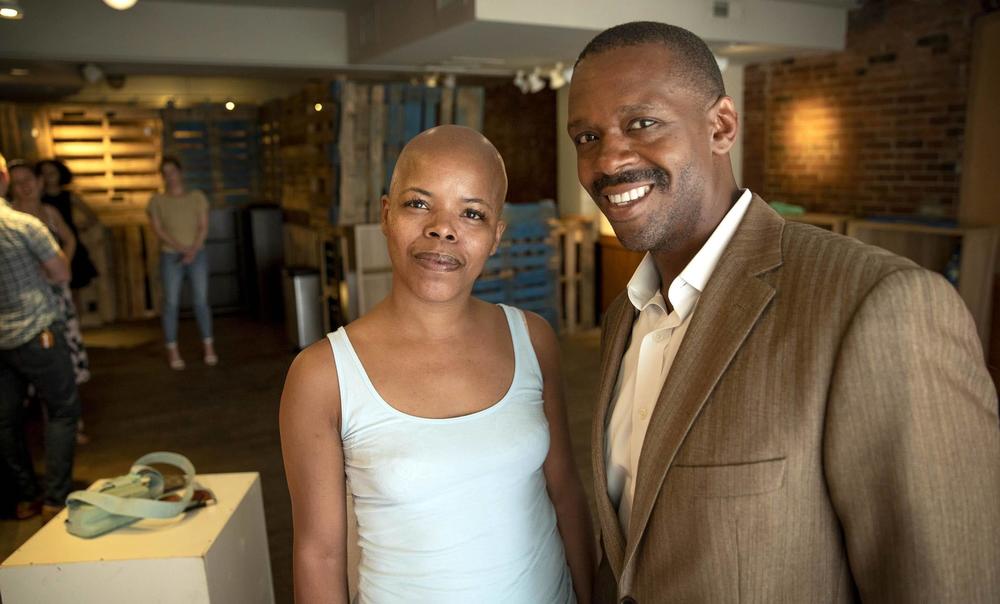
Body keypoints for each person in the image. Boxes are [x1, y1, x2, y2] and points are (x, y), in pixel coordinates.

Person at [567, 21, 1000, 603]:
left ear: (721, 126)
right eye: (586, 137)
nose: (608, 159)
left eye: (641, 123)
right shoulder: (627, 314)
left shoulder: (877, 306)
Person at [280, 125, 594, 603]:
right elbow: (318, 555)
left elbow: (566, 492)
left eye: (472, 213)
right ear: (386, 214)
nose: (443, 228)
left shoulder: (532, 339)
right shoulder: (324, 374)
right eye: (419, 203)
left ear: (495, 236)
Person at [0, 151, 81, 521]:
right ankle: (54, 498)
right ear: (4, 179)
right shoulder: (22, 225)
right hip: (37, 331)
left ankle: (23, 497)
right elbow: (61, 272)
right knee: (62, 410)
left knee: (6, 419)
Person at [9, 160, 92, 444]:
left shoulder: (49, 212)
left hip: (59, 293)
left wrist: (60, 264)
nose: (24, 186)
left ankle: (70, 424)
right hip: (30, 303)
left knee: (66, 355)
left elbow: (70, 239)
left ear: (39, 181)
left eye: (28, 179)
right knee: (41, 364)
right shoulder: (12, 219)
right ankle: (50, 425)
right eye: (16, 181)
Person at [146, 156, 217, 369]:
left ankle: (209, 347)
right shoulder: (157, 201)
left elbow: (203, 226)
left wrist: (193, 249)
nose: (170, 177)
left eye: (173, 171)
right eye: (165, 173)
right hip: (170, 255)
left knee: (201, 301)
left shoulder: (197, 197)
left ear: (181, 172)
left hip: (198, 254)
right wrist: (181, 248)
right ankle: (172, 350)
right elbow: (158, 229)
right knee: (171, 304)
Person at [37, 158, 100, 292]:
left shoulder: (68, 196)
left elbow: (92, 216)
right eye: (44, 174)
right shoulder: (39, 200)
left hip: (69, 241)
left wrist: (80, 228)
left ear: (60, 174)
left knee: (74, 287)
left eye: (52, 173)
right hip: (49, 242)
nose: (48, 178)